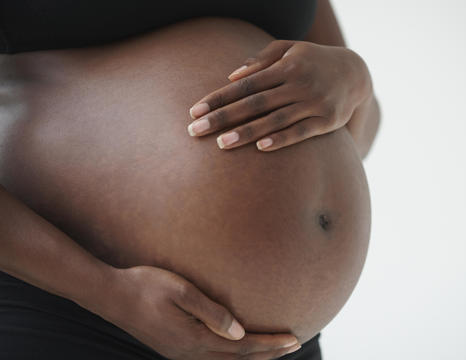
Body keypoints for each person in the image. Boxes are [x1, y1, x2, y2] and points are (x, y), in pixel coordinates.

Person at [0, 1, 380, 359]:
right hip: (75, 312)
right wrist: (107, 292)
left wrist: (355, 80)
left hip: (283, 345)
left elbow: (356, 133)